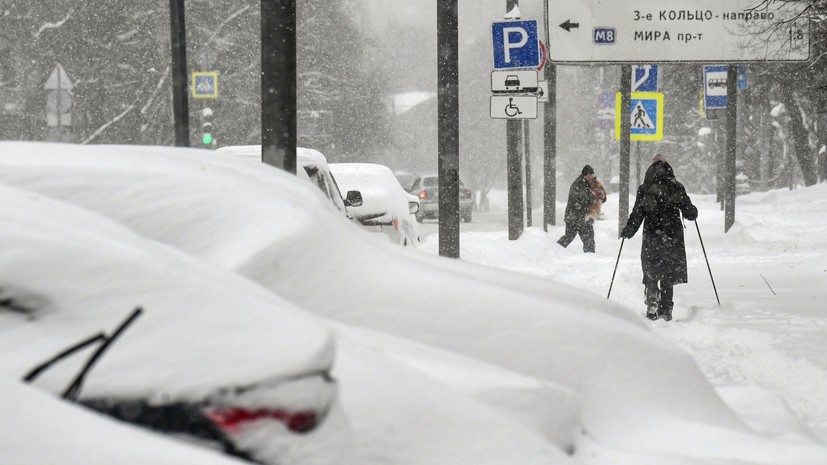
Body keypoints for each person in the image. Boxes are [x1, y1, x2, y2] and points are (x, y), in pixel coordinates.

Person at [620, 155, 698, 321]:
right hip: (672, 235)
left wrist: (629, 230)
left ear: (651, 169)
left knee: (652, 269)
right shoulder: (676, 186)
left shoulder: (645, 188)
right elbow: (689, 211)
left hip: (652, 234)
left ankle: (652, 301)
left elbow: (637, 213)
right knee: (668, 273)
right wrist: (692, 212)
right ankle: (665, 309)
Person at [558, 165, 606, 253]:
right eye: (590, 175)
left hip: (584, 216)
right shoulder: (578, 184)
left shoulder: (591, 184)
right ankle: (553, 250)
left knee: (588, 239)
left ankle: (589, 256)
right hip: (574, 216)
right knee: (569, 237)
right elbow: (583, 198)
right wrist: (594, 196)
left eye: (592, 174)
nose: (592, 177)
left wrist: (602, 195)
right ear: (585, 175)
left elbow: (602, 196)